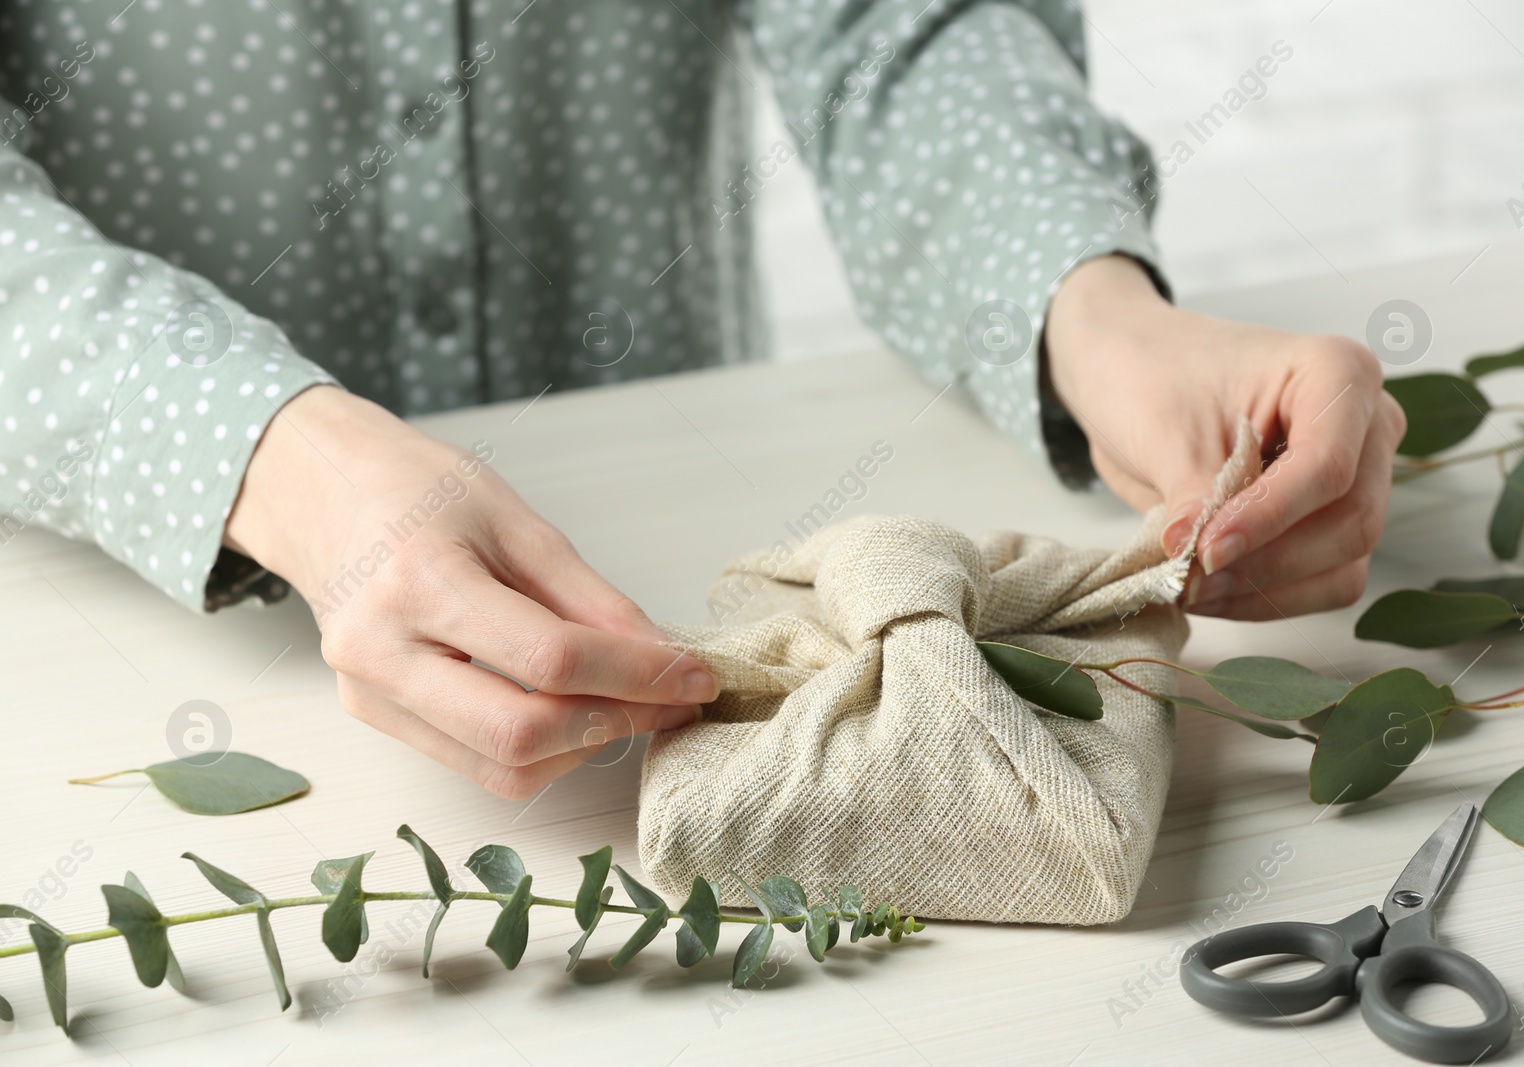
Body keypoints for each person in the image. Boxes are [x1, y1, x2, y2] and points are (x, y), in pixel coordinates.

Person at [0, 2, 1402, 799]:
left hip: (681, 503)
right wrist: (270, 462)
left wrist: (1092, 313)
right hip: (103, 645)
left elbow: (897, 27)